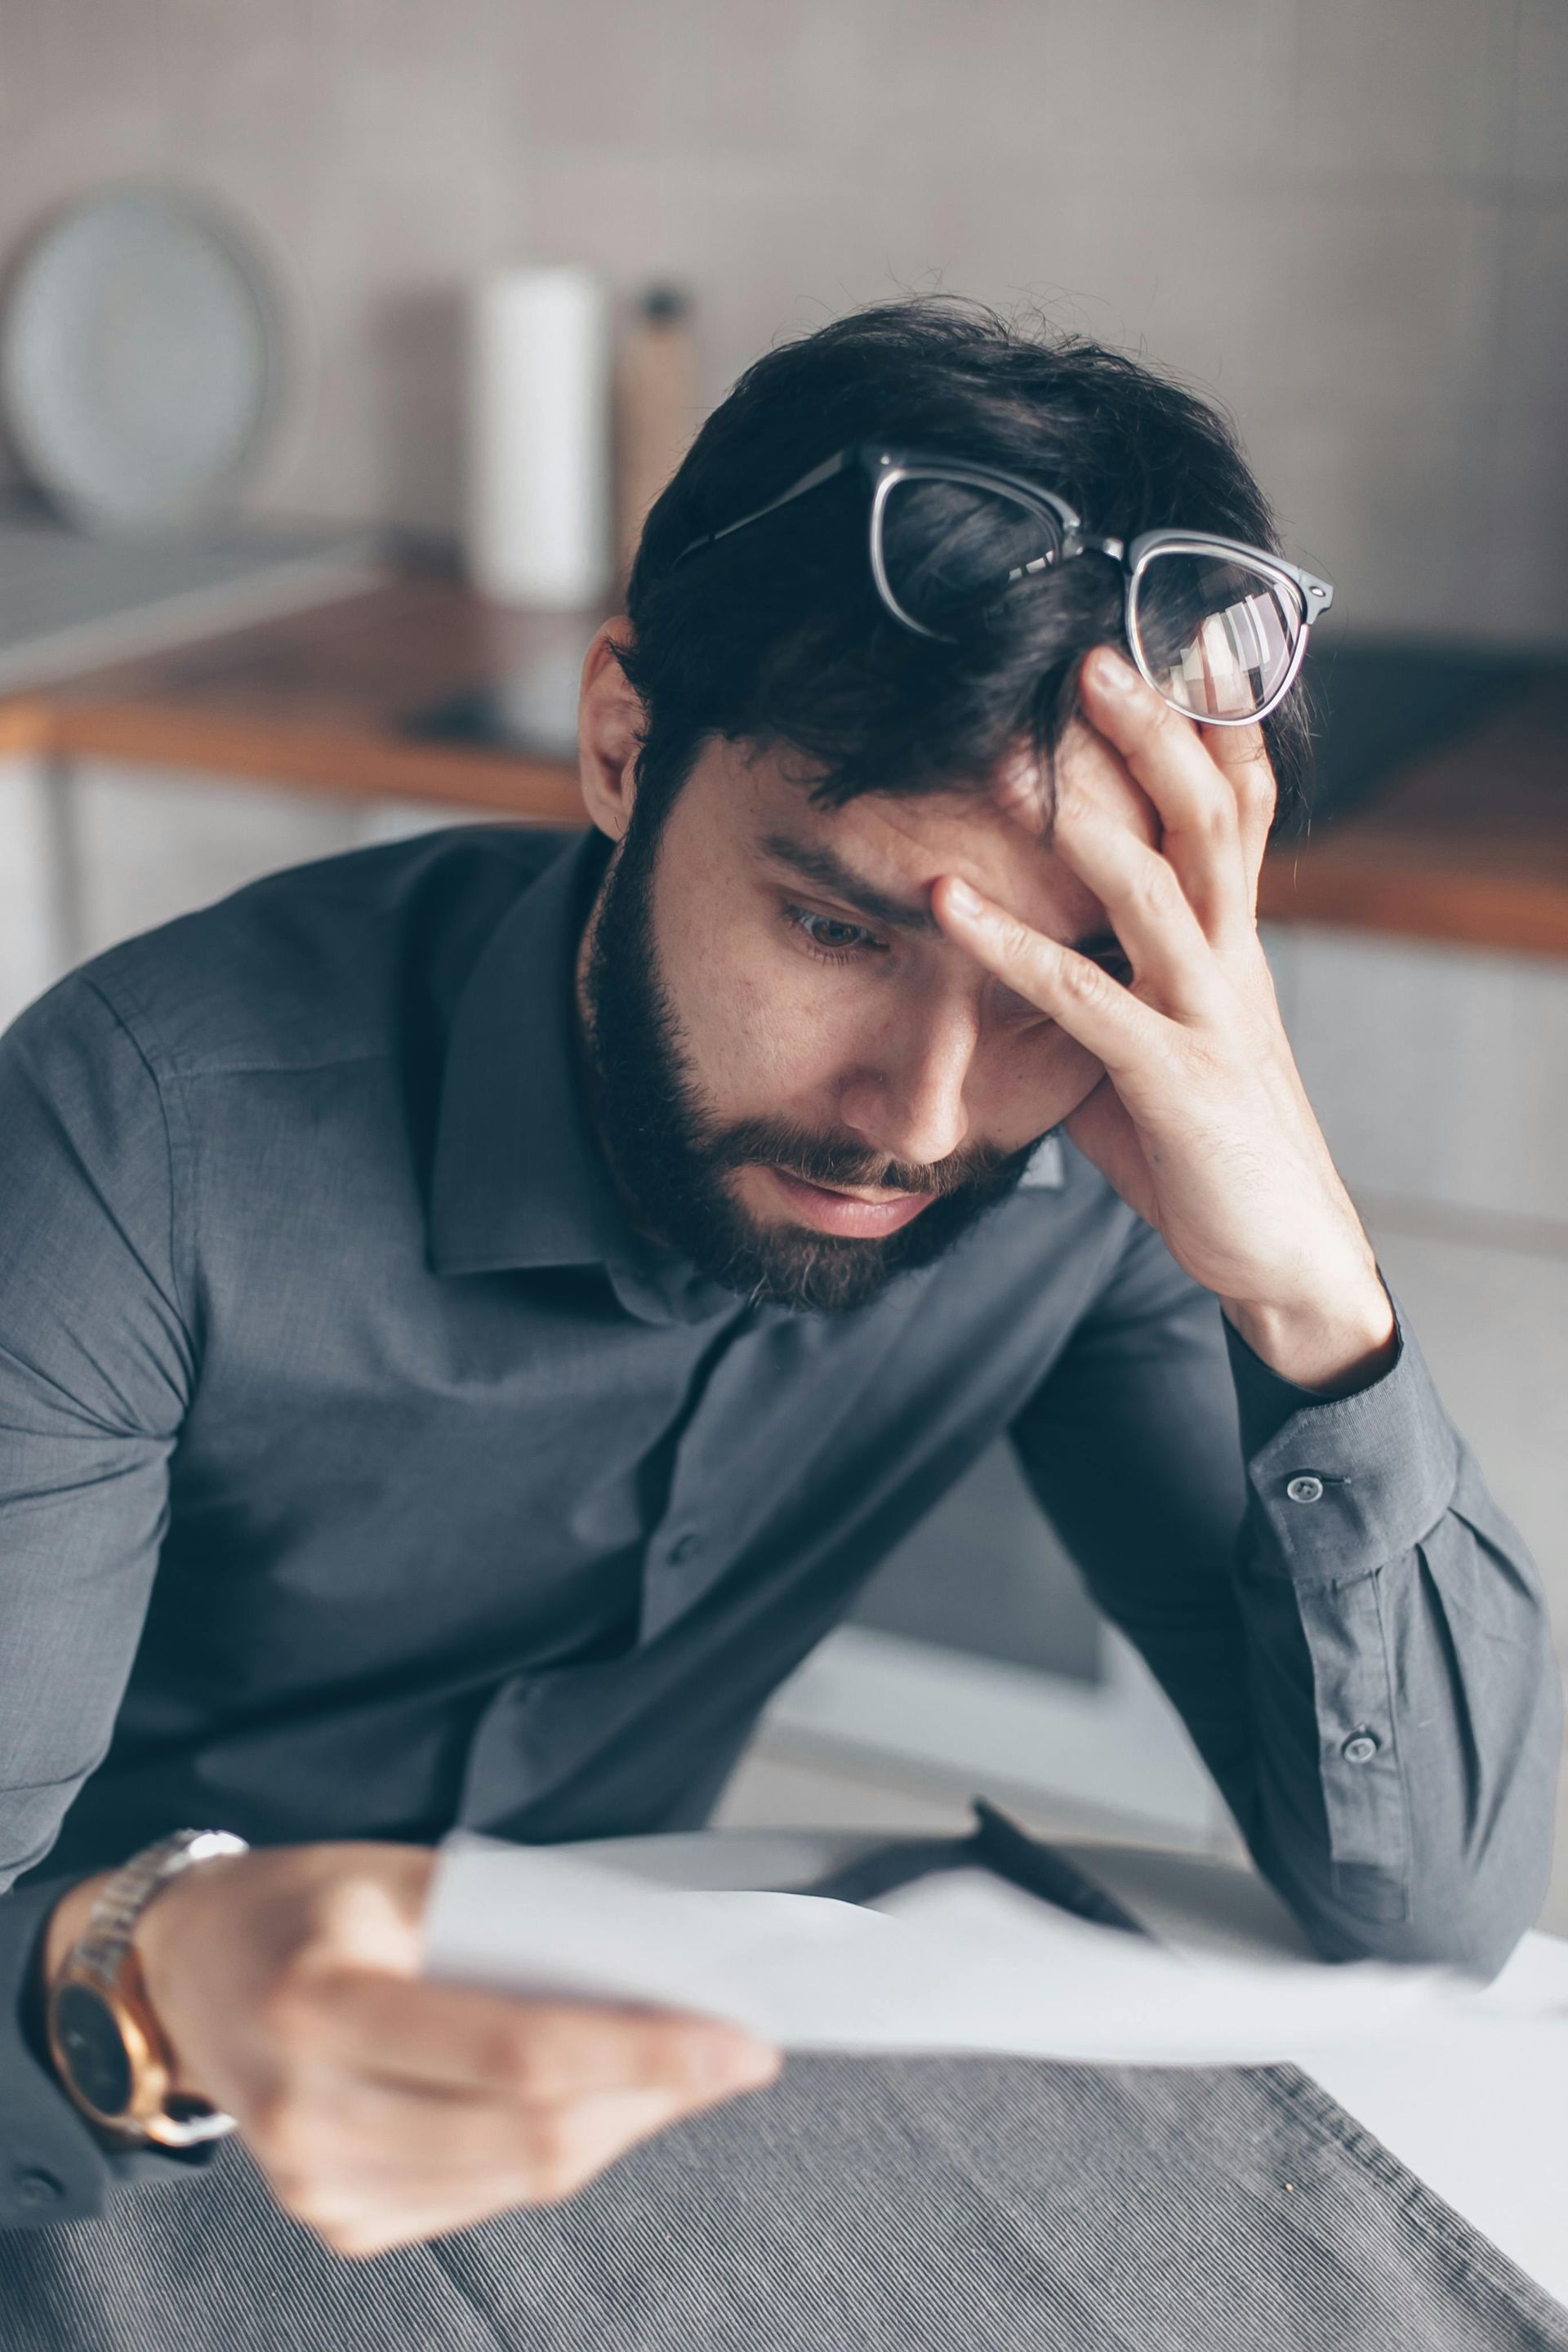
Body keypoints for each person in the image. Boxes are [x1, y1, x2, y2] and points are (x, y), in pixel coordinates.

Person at [0, 298, 1558, 2274]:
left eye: (1050, 990)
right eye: (833, 925)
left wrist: (1316, 1296)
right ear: (620, 741)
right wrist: (154, 1985)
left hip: (610, 2137)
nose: (916, 1117)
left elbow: (1430, 1910)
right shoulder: (139, 1137)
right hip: (106, 2134)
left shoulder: (1079, 1188)